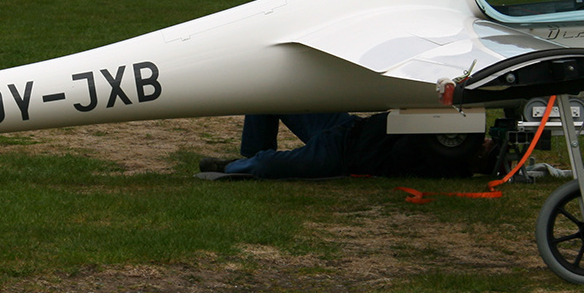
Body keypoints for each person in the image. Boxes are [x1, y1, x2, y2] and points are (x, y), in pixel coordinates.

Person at [199, 112, 483, 180]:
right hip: (346, 126)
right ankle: (251, 152)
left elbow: (399, 156)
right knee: (269, 93)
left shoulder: (437, 160)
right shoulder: (445, 151)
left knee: (272, 166)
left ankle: (232, 168)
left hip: (342, 155)